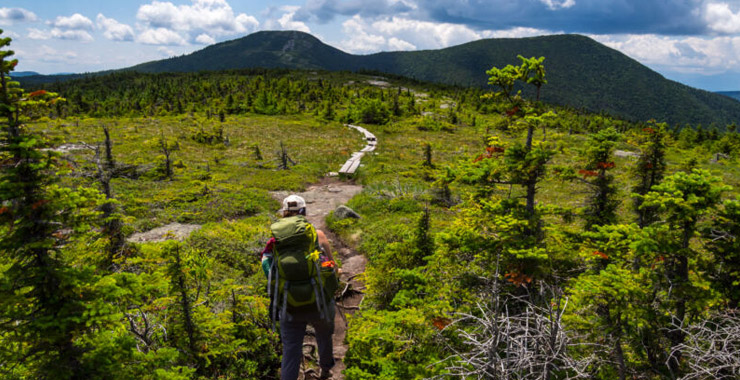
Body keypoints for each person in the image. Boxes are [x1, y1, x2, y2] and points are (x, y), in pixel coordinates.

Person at [262, 194, 337, 380]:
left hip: (289, 305)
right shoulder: (317, 234)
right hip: (319, 302)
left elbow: (267, 267)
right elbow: (331, 265)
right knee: (324, 335)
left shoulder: (275, 241)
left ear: (284, 213)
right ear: (303, 212)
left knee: (291, 350)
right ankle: (326, 369)